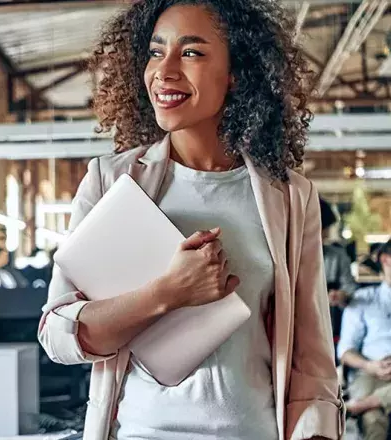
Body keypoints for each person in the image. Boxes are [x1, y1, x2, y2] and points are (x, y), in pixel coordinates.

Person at [38, 1, 344, 439]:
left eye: (192, 53)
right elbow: (59, 336)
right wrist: (169, 293)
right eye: (155, 51)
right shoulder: (110, 181)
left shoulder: (291, 197)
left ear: (236, 72)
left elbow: (312, 360)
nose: (164, 70)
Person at [338, 240, 391, 440]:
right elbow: (345, 350)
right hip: (370, 371)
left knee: (368, 412)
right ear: (386, 259)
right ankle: (372, 405)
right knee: (373, 419)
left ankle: (361, 406)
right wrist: (370, 366)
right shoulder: (363, 298)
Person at [320, 198, 358, 360]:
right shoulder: (288, 256)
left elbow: (350, 289)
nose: (327, 234)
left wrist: (342, 296)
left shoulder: (337, 257)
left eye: (326, 229)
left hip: (330, 328)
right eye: (323, 228)